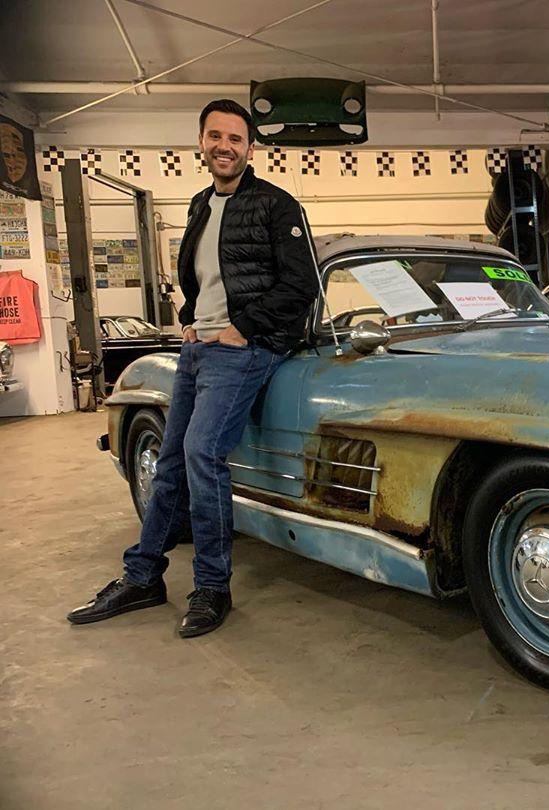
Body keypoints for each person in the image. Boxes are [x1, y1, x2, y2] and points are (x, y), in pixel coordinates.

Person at [68, 99, 320, 637]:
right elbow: (199, 277)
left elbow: (302, 285)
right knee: (171, 462)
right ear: (201, 142)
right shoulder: (200, 204)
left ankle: (212, 587)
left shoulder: (277, 205)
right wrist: (189, 319)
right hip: (199, 349)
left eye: (236, 138)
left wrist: (241, 328)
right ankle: (143, 577)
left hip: (244, 349)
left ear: (250, 148)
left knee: (202, 454)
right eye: (215, 136)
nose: (225, 146)